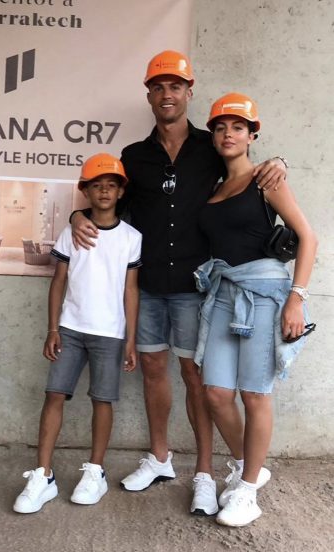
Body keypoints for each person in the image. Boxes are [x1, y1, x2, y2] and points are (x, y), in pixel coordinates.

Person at [71, 51, 287, 516]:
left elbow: (247, 167)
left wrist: (279, 161)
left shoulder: (213, 145)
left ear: (189, 92)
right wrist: (77, 215)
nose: (166, 94)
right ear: (148, 95)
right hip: (148, 282)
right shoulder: (134, 156)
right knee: (152, 370)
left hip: (197, 286)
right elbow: (110, 205)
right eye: (158, 87)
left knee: (195, 377)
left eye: (175, 86)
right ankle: (160, 457)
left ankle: (204, 474)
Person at [194, 92, 317, 526]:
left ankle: (247, 491)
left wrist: (296, 298)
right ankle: (251, 467)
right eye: (220, 128)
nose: (228, 134)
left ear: (252, 136)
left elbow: (308, 237)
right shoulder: (214, 187)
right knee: (216, 393)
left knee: (255, 394)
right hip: (225, 292)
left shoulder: (267, 180)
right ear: (213, 136)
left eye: (238, 127)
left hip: (264, 294)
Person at [13, 153, 142, 514]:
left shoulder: (131, 238)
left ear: (121, 191)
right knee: (54, 394)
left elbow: (131, 289)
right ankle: (43, 476)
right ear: (85, 191)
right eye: (96, 185)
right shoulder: (72, 231)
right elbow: (58, 281)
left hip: (110, 333)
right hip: (70, 329)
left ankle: (95, 472)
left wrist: (131, 339)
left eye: (111, 185)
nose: (104, 191)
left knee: (102, 400)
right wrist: (53, 328)